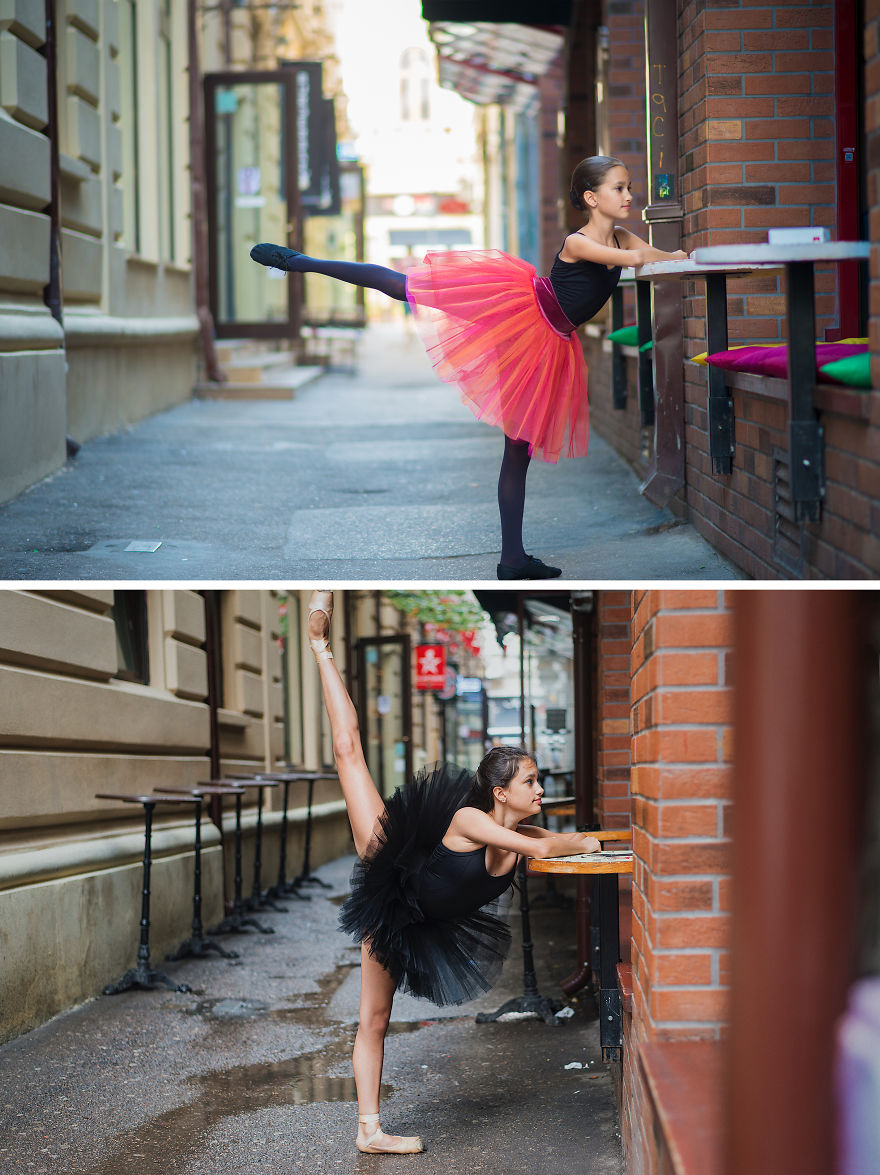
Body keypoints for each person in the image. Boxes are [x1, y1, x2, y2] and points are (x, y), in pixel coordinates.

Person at [251, 157, 689, 579]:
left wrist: (677, 255)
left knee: (518, 451)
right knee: (407, 287)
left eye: (629, 187)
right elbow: (639, 260)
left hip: (551, 339)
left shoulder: (622, 237)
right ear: (591, 198)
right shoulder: (580, 242)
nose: (629, 195)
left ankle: (513, 559)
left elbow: (653, 254)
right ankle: (298, 261)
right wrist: (672, 256)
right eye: (619, 188)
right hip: (521, 316)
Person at [306, 590, 601, 1154]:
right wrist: (576, 841)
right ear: (501, 793)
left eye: (539, 780)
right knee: (348, 752)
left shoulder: (524, 834)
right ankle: (320, 645)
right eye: (531, 781)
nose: (540, 789)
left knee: (379, 1015)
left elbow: (555, 845)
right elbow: (547, 847)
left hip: (425, 921)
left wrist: (594, 842)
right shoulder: (472, 820)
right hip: (392, 878)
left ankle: (369, 1133)